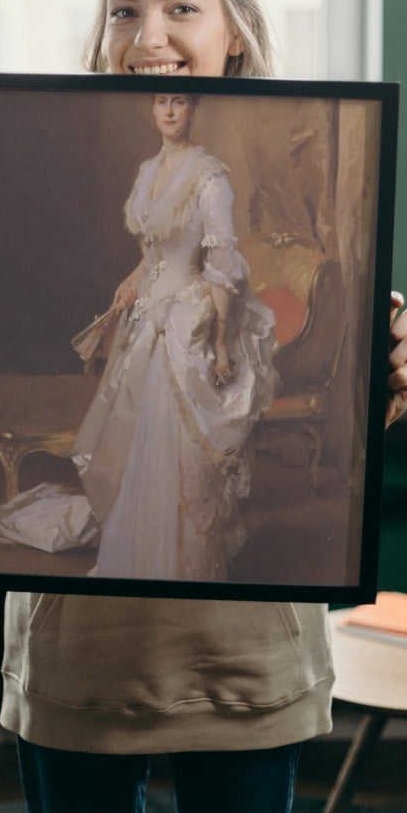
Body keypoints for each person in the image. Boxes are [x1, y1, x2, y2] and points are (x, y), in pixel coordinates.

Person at [0, 0, 407, 813]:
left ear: (233, 31)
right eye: (123, 10)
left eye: (181, 8)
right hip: (79, 666)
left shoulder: (217, 174)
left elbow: (223, 263)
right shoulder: (109, 167)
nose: (147, 36)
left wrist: (378, 383)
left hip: (241, 666)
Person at [71, 89, 277, 582]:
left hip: (185, 322)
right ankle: (133, 556)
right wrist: (133, 279)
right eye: (161, 101)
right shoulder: (147, 171)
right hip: (145, 315)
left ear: (194, 108)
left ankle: (174, 566)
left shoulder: (210, 177)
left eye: (179, 102)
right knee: (135, 435)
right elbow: (154, 250)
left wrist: (223, 339)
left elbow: (222, 264)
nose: (168, 111)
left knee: (167, 444)